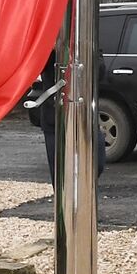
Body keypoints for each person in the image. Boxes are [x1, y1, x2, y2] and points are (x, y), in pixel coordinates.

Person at [38, 49, 106, 185]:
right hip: (55, 118)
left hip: (84, 115)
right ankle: (65, 202)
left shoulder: (85, 42)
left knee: (96, 162)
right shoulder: (46, 44)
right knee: (60, 174)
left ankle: (82, 191)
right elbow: (36, 66)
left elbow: (100, 71)